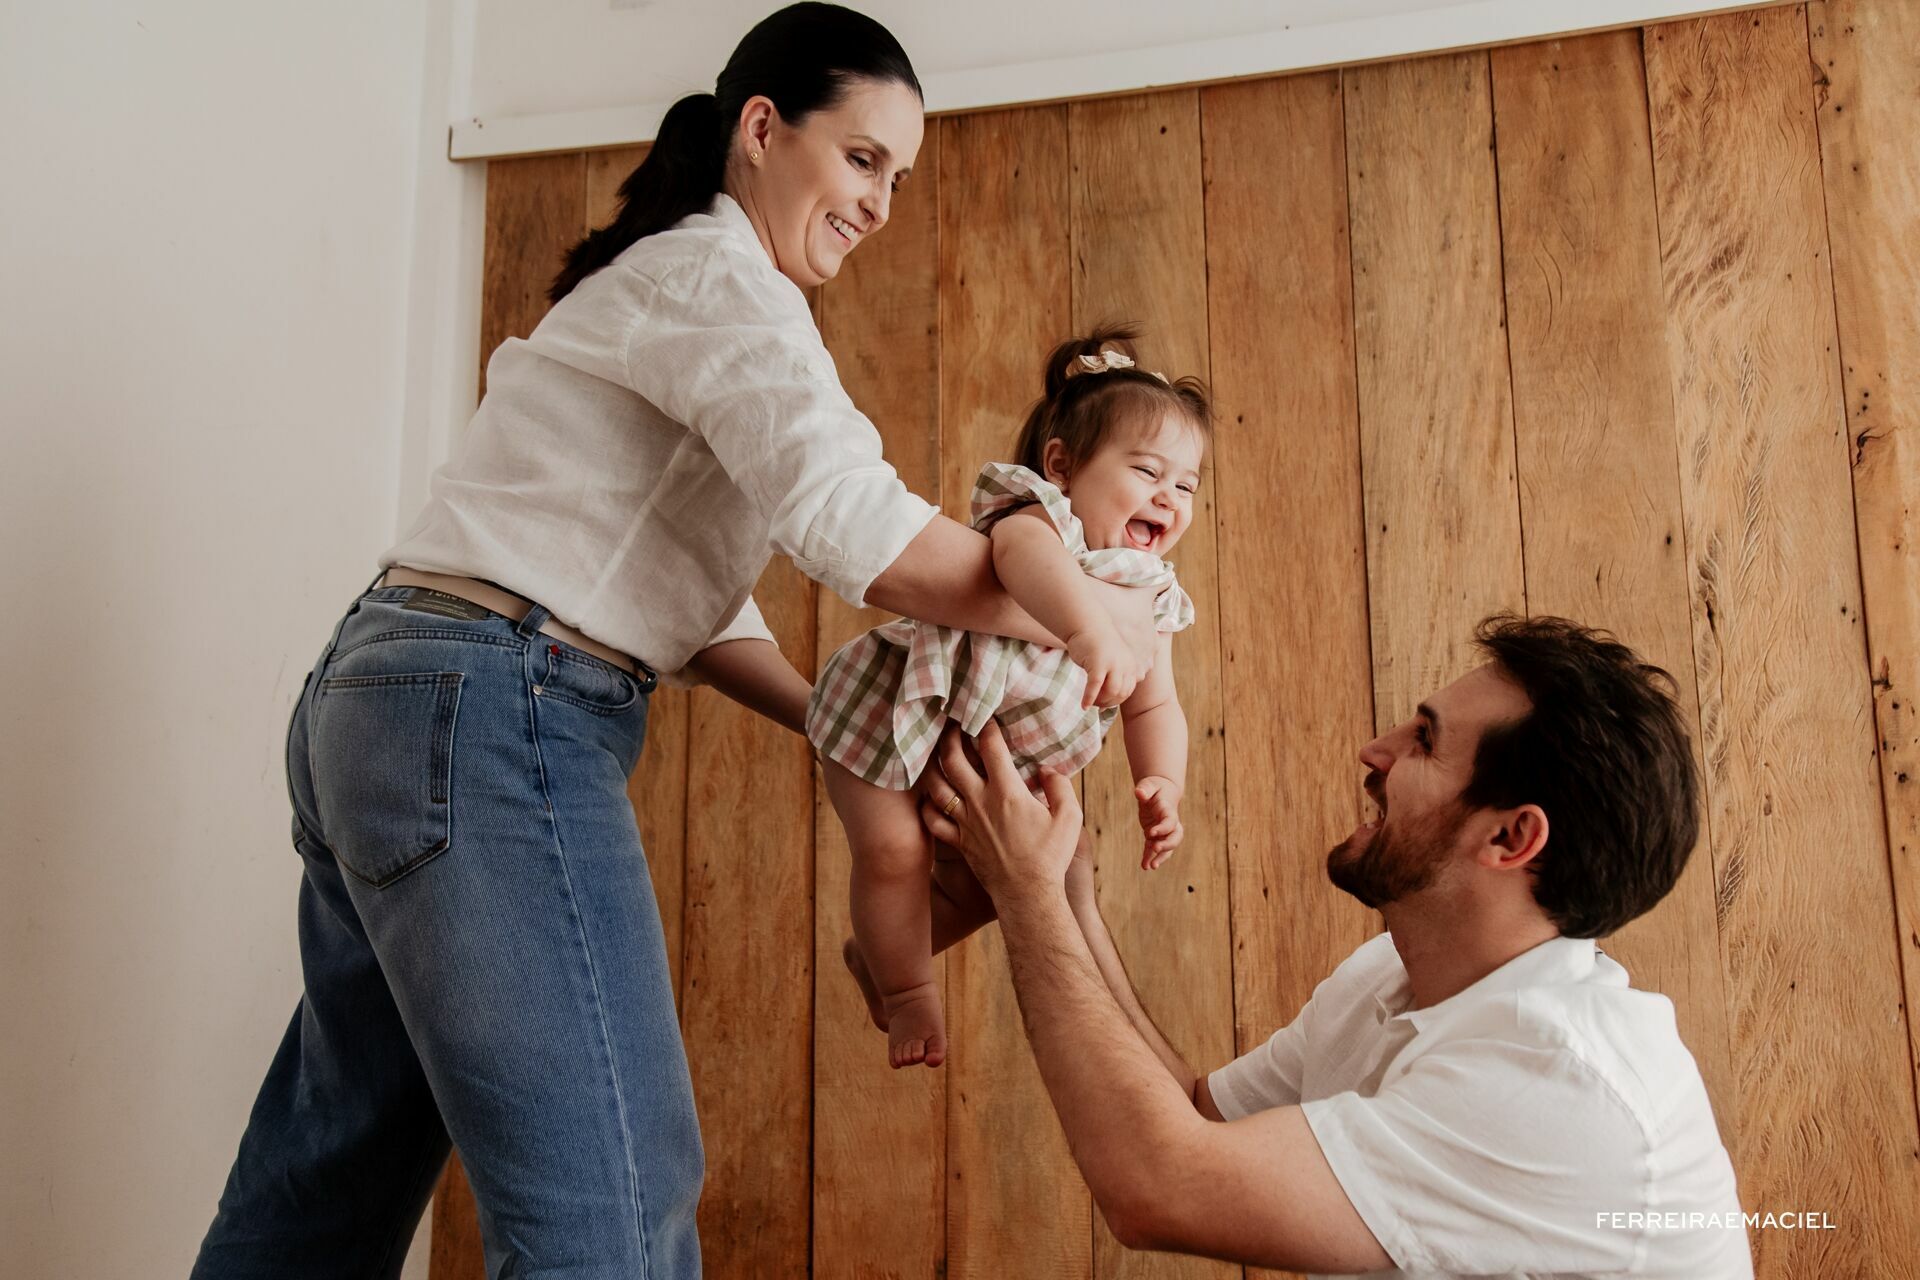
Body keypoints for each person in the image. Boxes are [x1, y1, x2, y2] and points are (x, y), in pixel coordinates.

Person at [191, 5, 1158, 1277]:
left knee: (328, 1186)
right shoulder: (720, 281)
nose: (879, 203)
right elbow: (852, 521)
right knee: (614, 1204)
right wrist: (1093, 597)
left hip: (395, 701)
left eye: (898, 178)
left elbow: (696, 606)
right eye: (862, 158)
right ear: (762, 128)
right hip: (489, 709)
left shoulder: (681, 286)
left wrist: (860, 724)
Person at [921, 615, 1752, 1278]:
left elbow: (1157, 1190)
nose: (1376, 751)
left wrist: (1022, 895)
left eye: (1424, 740)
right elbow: (1194, 1115)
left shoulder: (1561, 1081)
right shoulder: (1393, 975)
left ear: (1511, 837)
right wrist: (1068, 895)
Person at [812, 327, 1208, 1069]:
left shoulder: (1156, 596)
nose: (1169, 495)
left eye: (1186, 484)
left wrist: (1163, 782)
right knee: (894, 850)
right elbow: (1017, 562)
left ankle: (877, 957)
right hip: (894, 711)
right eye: (1148, 470)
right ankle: (904, 992)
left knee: (997, 888)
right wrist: (1085, 628)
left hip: (993, 768)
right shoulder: (1039, 519)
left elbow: (1156, 705)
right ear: (1062, 464)